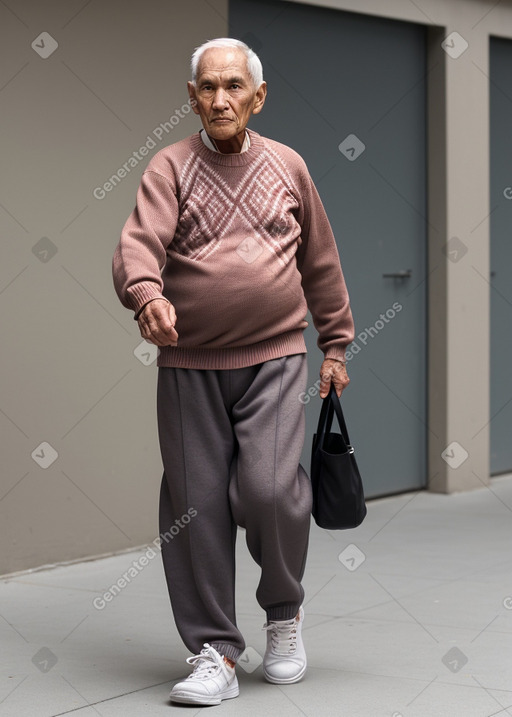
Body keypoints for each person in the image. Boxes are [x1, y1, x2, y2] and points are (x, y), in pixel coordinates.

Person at [112, 37, 354, 706]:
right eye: (208, 87)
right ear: (192, 98)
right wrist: (148, 294)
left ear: (258, 96)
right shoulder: (168, 167)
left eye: (234, 86)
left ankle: (283, 614)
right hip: (190, 364)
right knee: (196, 505)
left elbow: (321, 262)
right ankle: (215, 649)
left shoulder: (289, 167)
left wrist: (335, 343)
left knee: (271, 489)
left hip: (275, 358)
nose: (221, 98)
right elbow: (139, 244)